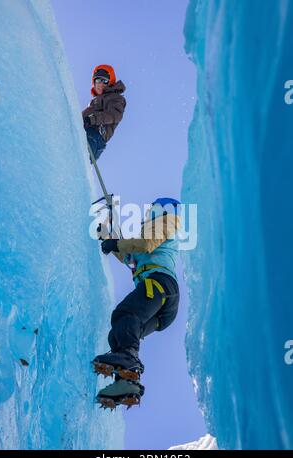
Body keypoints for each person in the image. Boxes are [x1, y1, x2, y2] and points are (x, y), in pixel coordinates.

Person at [93, 198, 181, 409]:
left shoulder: (169, 220)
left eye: (150, 210)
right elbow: (129, 257)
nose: (145, 215)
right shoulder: (149, 234)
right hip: (162, 304)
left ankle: (128, 360)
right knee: (118, 332)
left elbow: (145, 244)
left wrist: (116, 243)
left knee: (125, 315)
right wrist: (107, 238)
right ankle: (128, 382)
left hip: (160, 284)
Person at [82, 64, 126, 162]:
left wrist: (91, 119)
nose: (100, 84)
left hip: (96, 135)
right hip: (86, 131)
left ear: (110, 83)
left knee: (81, 153)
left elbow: (114, 115)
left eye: (104, 81)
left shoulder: (116, 98)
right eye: (98, 81)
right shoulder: (95, 102)